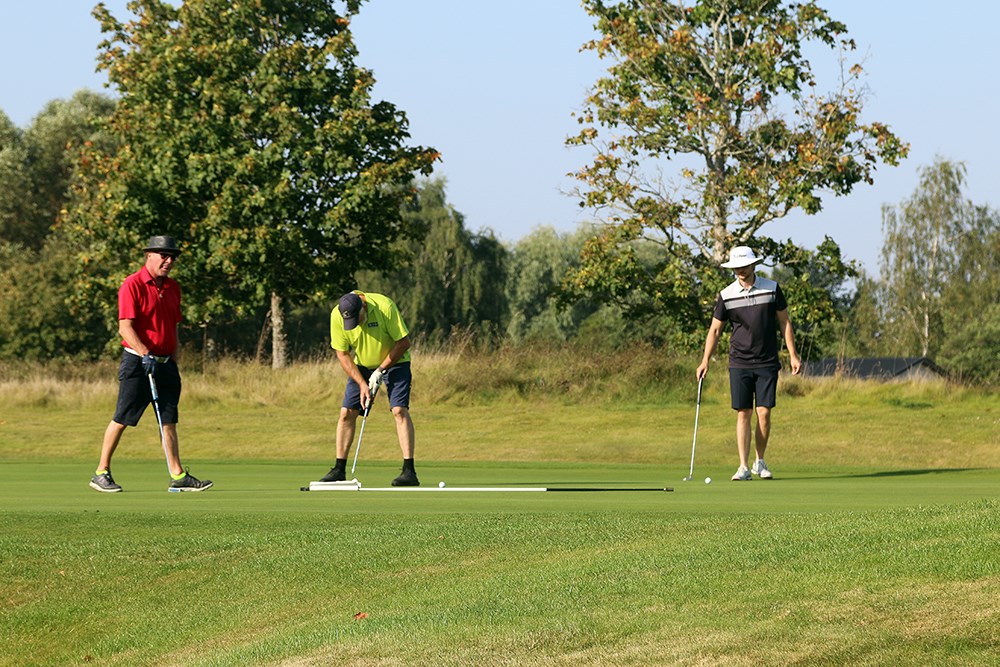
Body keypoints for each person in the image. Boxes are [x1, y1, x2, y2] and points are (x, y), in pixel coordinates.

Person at [89, 235, 213, 493]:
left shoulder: (172, 288)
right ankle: (101, 472)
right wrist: (145, 352)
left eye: (172, 258)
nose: (168, 261)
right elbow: (125, 327)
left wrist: (174, 359)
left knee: (168, 420)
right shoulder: (132, 284)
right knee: (123, 417)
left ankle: (178, 475)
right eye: (164, 256)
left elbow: (173, 328)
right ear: (149, 256)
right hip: (138, 363)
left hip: (166, 364)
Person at [696, 246, 801, 481]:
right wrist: (705, 361)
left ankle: (759, 461)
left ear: (754, 265)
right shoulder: (726, 295)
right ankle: (743, 466)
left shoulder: (772, 289)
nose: (740, 271)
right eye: (736, 267)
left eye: (743, 266)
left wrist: (793, 354)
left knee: (763, 412)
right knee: (743, 412)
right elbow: (715, 330)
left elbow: (784, 322)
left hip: (767, 360)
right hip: (739, 361)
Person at [321, 290, 419, 486]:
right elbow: (342, 354)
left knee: (399, 410)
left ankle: (409, 471)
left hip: (395, 362)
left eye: (357, 320)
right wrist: (362, 384)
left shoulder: (384, 307)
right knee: (346, 413)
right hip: (363, 367)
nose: (355, 325)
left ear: (363, 307)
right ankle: (339, 469)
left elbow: (404, 342)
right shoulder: (337, 315)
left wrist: (381, 370)